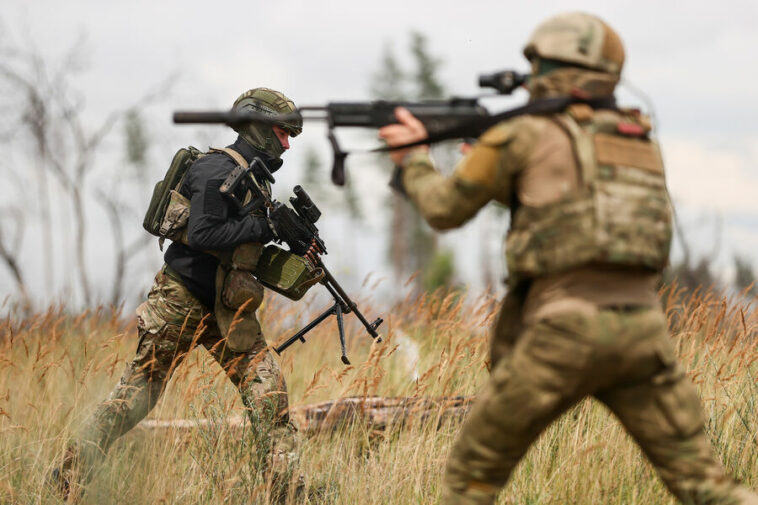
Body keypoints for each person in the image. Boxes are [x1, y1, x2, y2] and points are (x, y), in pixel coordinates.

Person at [379, 12, 758, 505]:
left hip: (563, 335)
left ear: (547, 67)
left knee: (469, 482)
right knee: (708, 488)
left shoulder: (522, 134)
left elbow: (444, 210)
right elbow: (576, 215)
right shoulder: (635, 138)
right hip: (643, 334)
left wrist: (412, 160)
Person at [53, 87, 303, 500]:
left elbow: (240, 246)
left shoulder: (257, 179)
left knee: (269, 393)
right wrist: (265, 228)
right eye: (282, 132)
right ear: (258, 127)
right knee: (136, 398)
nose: (287, 143)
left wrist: (293, 249)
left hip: (228, 305)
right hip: (179, 301)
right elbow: (205, 233)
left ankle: (286, 494)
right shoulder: (214, 169)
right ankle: (68, 478)